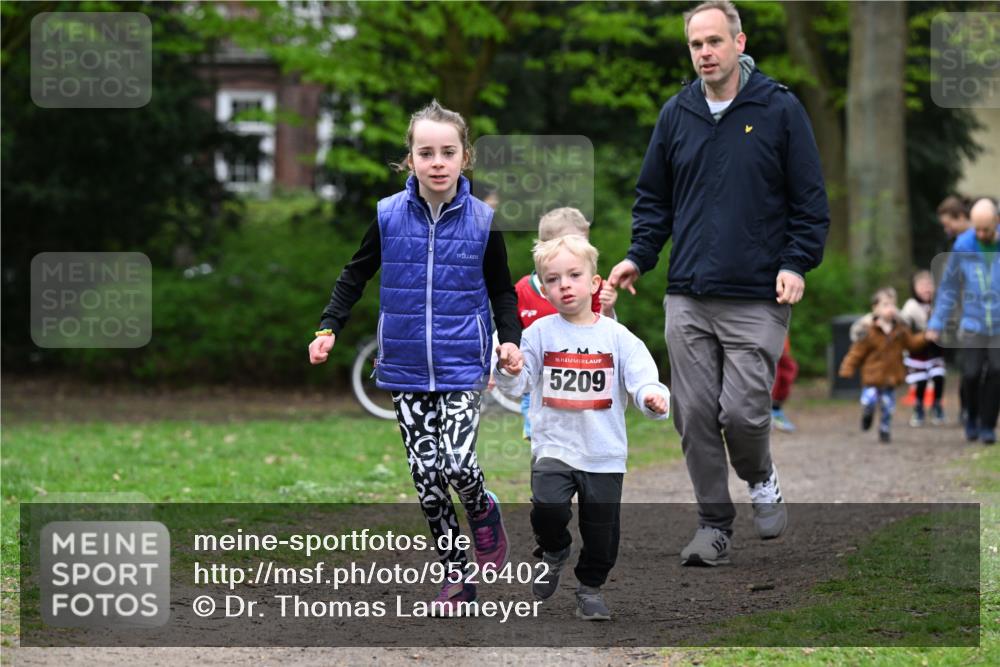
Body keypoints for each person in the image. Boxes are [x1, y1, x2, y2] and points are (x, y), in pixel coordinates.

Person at [608, 0, 830, 566]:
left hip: (758, 293)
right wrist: (639, 256)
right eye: (695, 44)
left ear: (738, 42)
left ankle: (760, 476)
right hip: (687, 292)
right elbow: (654, 198)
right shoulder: (677, 113)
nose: (705, 52)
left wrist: (794, 263)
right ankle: (713, 524)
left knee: (743, 414)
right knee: (694, 413)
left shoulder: (779, 109)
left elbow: (809, 203)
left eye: (714, 41)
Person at [308, 100, 524, 613]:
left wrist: (509, 339)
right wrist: (328, 327)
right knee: (427, 479)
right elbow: (354, 274)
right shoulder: (387, 216)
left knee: (457, 464)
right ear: (410, 159)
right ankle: (456, 577)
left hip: (461, 364)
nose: (437, 161)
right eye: (425, 152)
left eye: (448, 151)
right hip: (405, 367)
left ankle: (482, 508)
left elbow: (501, 292)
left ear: (464, 157)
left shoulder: (482, 220)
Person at [495, 235, 670, 620]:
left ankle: (590, 588)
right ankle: (554, 549)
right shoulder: (538, 333)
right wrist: (508, 369)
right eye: (553, 279)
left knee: (603, 536)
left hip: (603, 452)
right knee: (548, 508)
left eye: (574, 275)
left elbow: (643, 379)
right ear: (544, 288)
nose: (564, 285)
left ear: (594, 283)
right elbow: (520, 383)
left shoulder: (617, 337)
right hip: (554, 446)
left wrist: (651, 398)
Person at [513, 207, 618, 440]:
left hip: (584, 380)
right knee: (545, 446)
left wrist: (608, 308)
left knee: (583, 442)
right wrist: (498, 364)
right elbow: (509, 332)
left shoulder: (589, 287)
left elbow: (607, 332)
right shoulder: (522, 290)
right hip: (539, 384)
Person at [927, 197, 1000, 444]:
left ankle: (988, 425)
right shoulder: (963, 246)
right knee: (970, 374)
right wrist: (936, 323)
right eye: (977, 228)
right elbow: (948, 287)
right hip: (973, 323)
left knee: (997, 372)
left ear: (996, 223)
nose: (980, 234)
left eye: (986, 229)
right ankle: (971, 416)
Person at [838, 288, 927, 443]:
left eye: (893, 304)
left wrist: (926, 336)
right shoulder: (869, 331)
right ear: (875, 308)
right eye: (885, 305)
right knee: (869, 399)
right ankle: (867, 415)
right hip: (872, 377)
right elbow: (856, 353)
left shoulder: (900, 330)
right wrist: (847, 368)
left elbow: (912, 343)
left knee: (887, 407)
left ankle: (884, 430)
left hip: (890, 378)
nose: (890, 309)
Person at [900, 271, 947, 426]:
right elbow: (905, 334)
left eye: (929, 284)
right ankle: (919, 407)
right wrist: (924, 336)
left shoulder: (940, 305)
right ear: (914, 288)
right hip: (917, 354)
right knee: (920, 383)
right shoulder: (909, 308)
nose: (926, 288)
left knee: (938, 377)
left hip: (935, 352)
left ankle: (937, 404)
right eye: (922, 285)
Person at [771, 337, 799, 433]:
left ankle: (775, 411)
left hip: (779, 341)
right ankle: (767, 413)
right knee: (774, 373)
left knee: (788, 368)